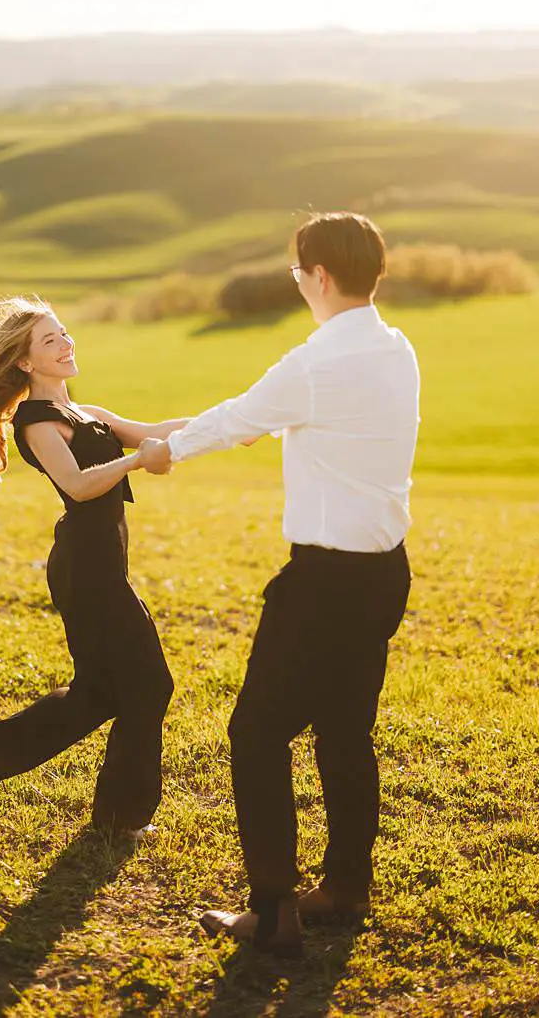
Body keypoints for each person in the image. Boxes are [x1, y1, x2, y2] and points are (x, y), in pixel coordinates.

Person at [139, 212, 419, 956]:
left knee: (256, 734)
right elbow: (266, 417)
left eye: (299, 272)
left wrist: (163, 451)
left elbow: (237, 419)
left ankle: (271, 914)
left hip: (322, 581)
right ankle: (346, 887)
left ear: (319, 276)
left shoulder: (314, 364)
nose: (298, 282)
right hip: (385, 572)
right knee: (343, 732)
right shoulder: (398, 350)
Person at [0, 294, 184, 836]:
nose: (66, 344)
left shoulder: (85, 414)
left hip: (103, 567)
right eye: (50, 340)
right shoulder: (37, 422)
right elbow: (78, 484)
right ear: (25, 362)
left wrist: (239, 420)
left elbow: (160, 426)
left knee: (101, 691)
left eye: (64, 333)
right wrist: (138, 458)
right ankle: (119, 818)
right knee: (149, 685)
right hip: (87, 573)